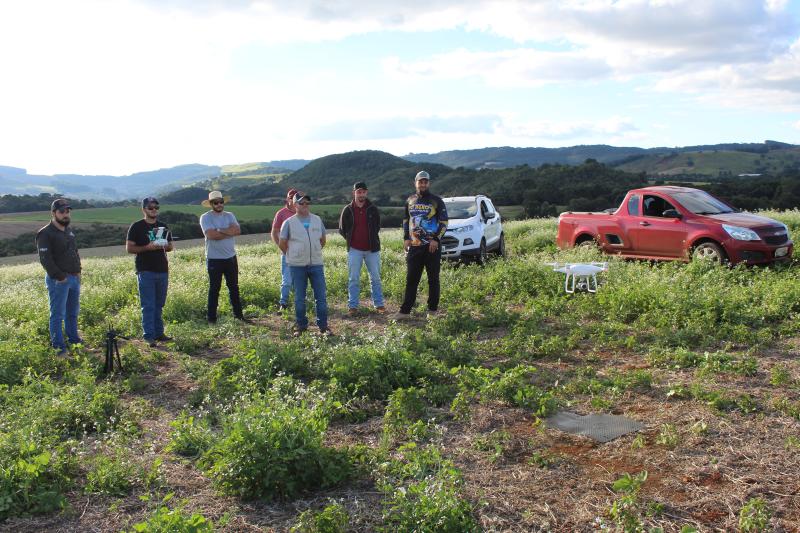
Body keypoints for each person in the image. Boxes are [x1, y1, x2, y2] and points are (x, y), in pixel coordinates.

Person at [278, 192, 333, 336]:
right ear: (294, 205)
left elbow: (323, 240)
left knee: (321, 297)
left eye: (307, 203)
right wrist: (293, 255)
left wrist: (312, 252)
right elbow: (282, 243)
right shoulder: (288, 222)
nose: (305, 206)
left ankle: (323, 326)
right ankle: (301, 326)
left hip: (316, 264)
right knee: (299, 298)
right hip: (297, 266)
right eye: (301, 203)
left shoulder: (317, 219)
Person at [396, 171, 448, 318]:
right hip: (414, 246)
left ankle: (432, 311)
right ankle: (405, 312)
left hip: (431, 247)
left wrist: (435, 240)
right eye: (420, 182)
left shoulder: (437, 201)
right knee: (411, 279)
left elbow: (444, 223)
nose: (423, 184)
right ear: (415, 183)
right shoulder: (409, 200)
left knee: (433, 279)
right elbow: (406, 220)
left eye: (425, 182)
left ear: (429, 183)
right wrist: (406, 237)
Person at [36, 198, 82, 355]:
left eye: (67, 211)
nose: (65, 214)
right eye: (62, 211)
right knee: (57, 315)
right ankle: (59, 347)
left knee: (72, 313)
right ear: (53, 213)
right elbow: (45, 259)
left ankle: (74, 341)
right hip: (59, 281)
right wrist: (60, 277)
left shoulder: (68, 231)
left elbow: (75, 252)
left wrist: (78, 272)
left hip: (74, 278)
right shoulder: (45, 233)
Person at [126, 197, 174, 347]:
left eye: (156, 207)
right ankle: (149, 336)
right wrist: (147, 247)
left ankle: (159, 333)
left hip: (162, 270)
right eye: (150, 207)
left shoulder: (163, 226)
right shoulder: (136, 227)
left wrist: (164, 245)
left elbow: (171, 246)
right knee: (148, 305)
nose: (154, 210)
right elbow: (129, 248)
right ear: (144, 209)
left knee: (159, 304)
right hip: (145, 270)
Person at [199, 191, 248, 324]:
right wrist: (228, 232)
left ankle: (239, 316)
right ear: (211, 204)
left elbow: (237, 231)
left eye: (221, 202)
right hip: (214, 259)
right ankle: (211, 319)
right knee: (214, 289)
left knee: (234, 287)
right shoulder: (205, 217)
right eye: (216, 202)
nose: (219, 204)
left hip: (231, 257)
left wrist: (219, 230)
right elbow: (211, 235)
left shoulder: (230, 215)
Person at [339, 181, 385, 315]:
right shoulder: (347, 209)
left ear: (367, 192)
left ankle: (379, 304)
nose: (361, 194)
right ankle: (353, 306)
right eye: (359, 192)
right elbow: (342, 229)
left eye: (364, 192)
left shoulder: (373, 208)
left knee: (375, 278)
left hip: (372, 250)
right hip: (354, 250)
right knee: (353, 278)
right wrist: (352, 241)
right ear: (354, 193)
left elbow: (377, 227)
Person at [271, 188, 298, 312]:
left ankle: (300, 301)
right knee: (286, 280)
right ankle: (283, 303)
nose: (292, 199)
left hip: (300, 252)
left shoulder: (301, 211)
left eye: (295, 197)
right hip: (287, 252)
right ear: (287, 199)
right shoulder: (281, 213)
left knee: (300, 279)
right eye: (290, 197)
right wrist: (282, 248)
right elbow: (274, 232)